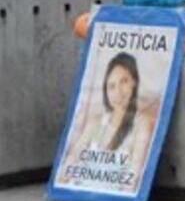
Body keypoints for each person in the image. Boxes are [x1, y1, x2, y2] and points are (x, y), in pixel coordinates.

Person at [62, 52, 154, 189]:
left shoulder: (142, 123)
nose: (118, 92)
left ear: (134, 82)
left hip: (113, 200)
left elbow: (134, 175)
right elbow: (70, 162)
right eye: (111, 86)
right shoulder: (95, 122)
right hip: (80, 193)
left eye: (124, 81)